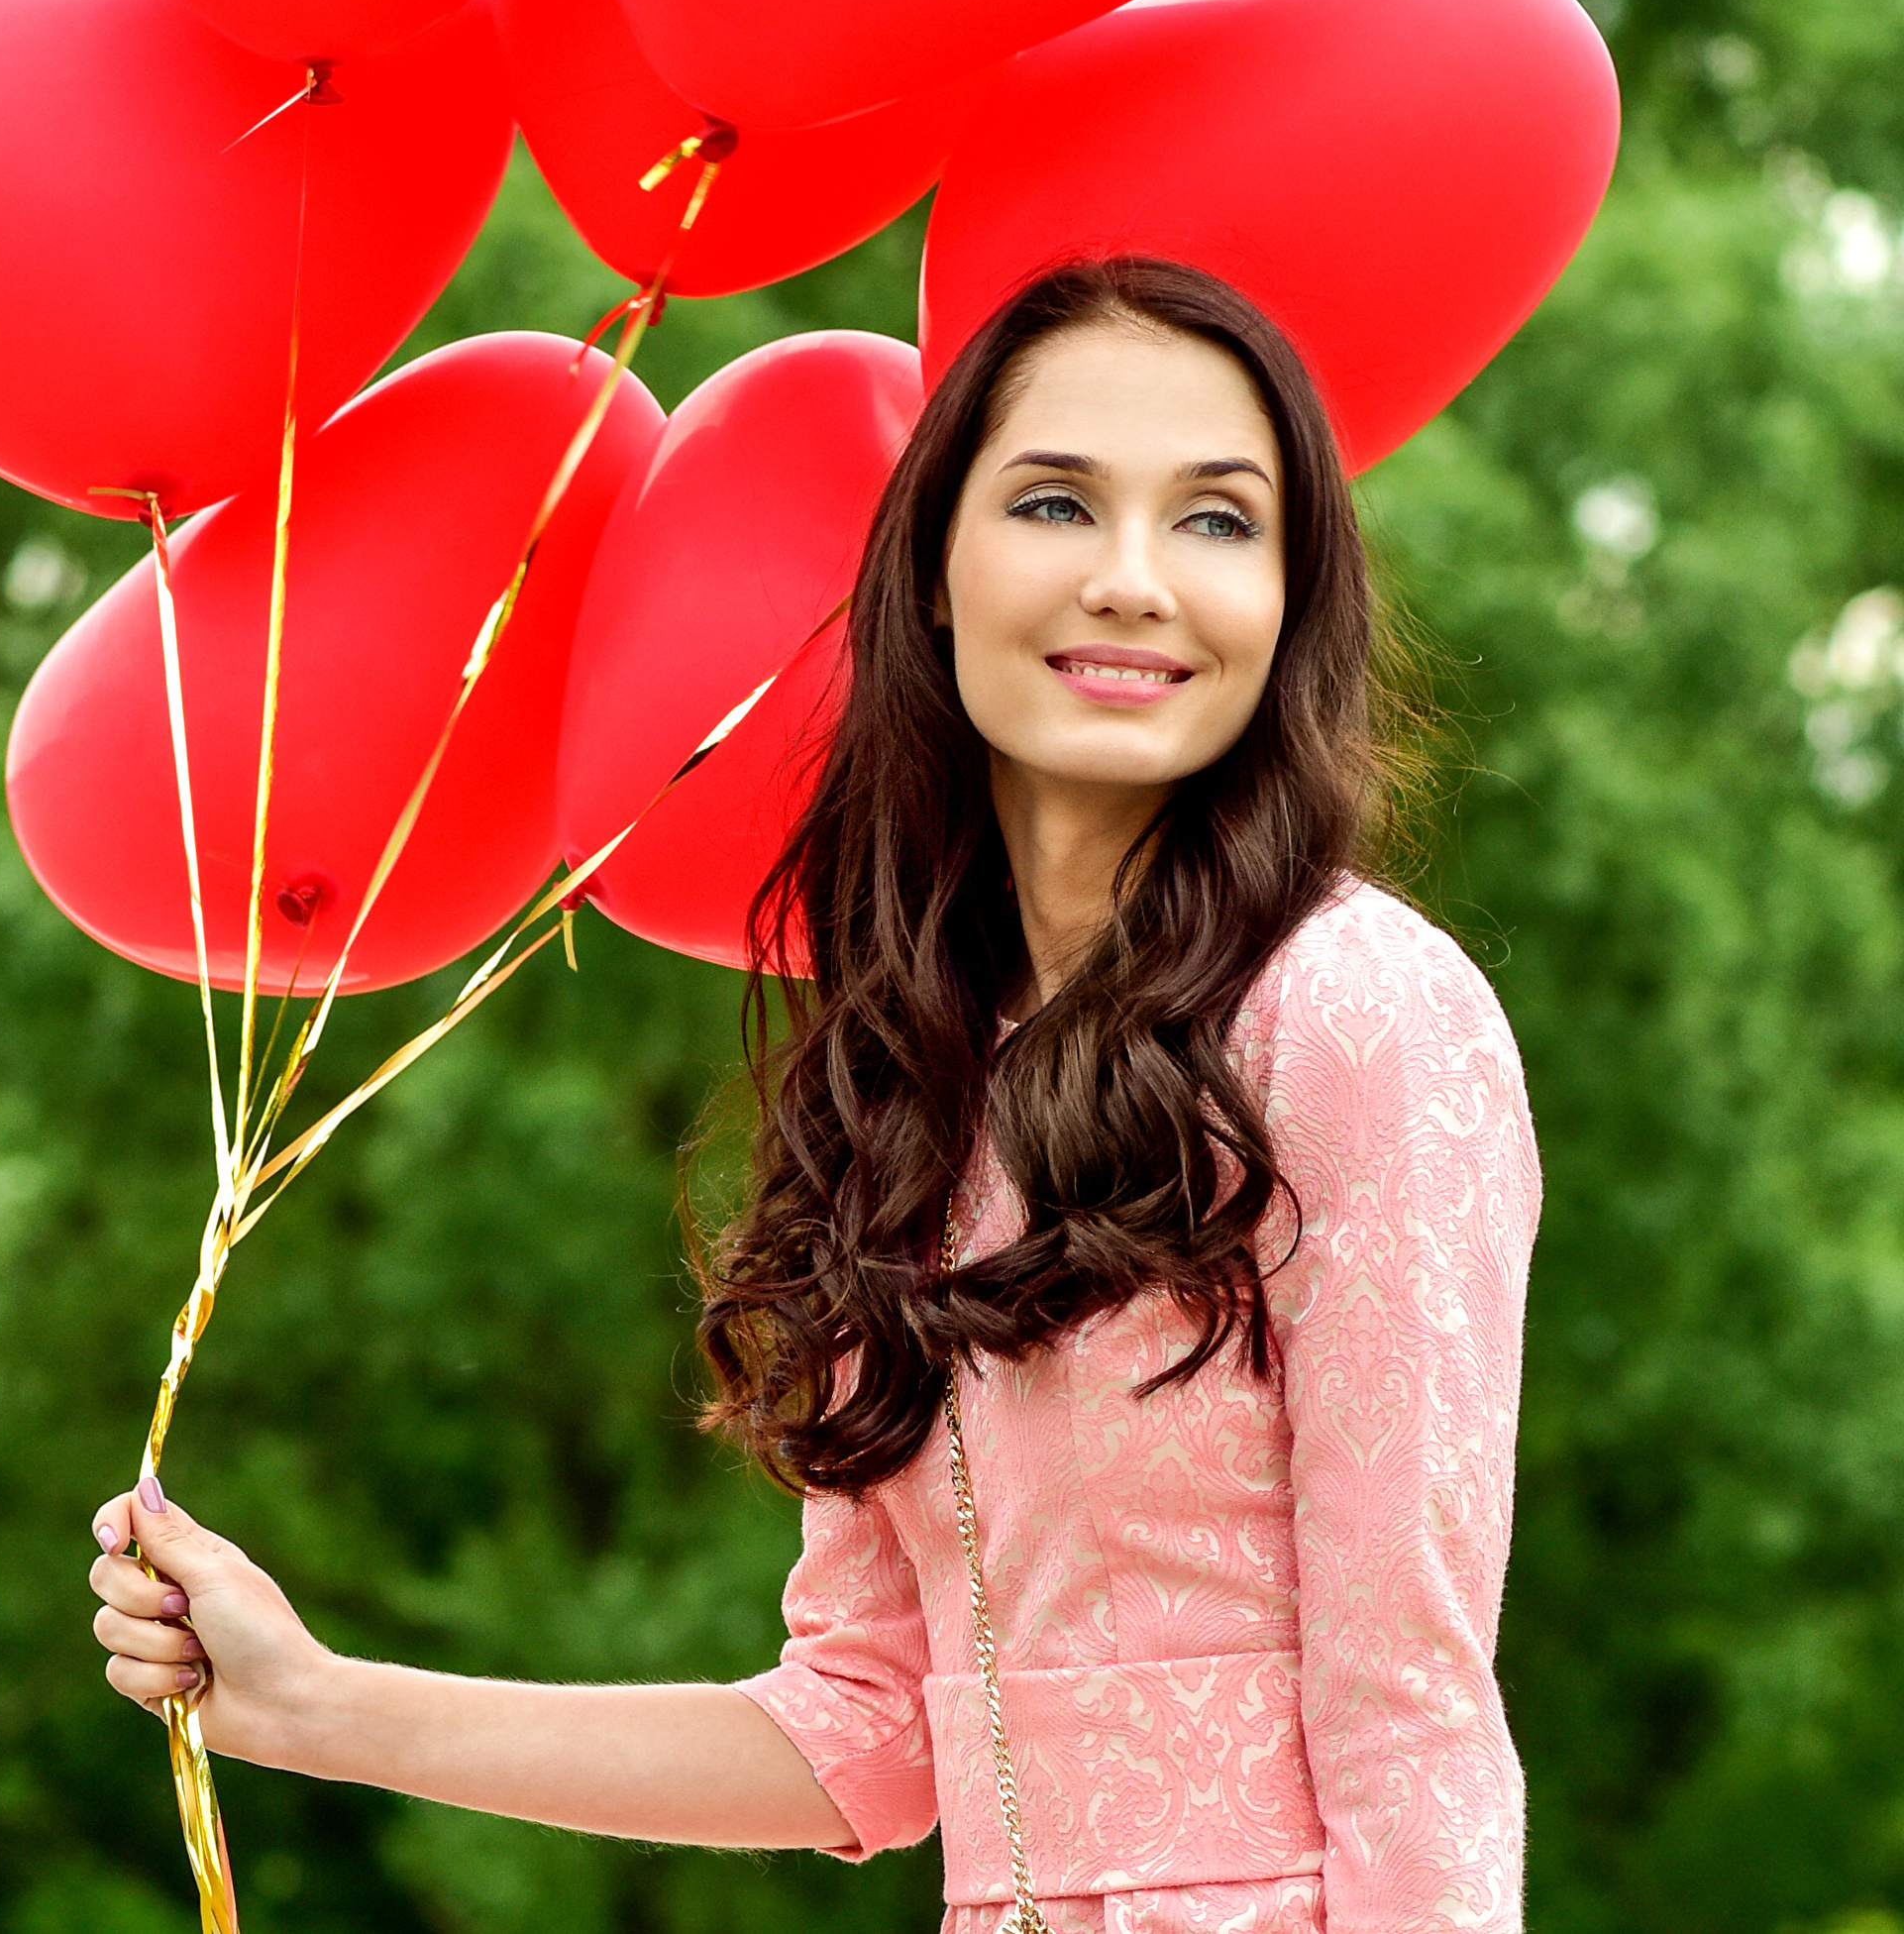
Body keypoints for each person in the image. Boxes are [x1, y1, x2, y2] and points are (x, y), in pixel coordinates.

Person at [89, 257, 1540, 1934]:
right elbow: (865, 1738)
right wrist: (315, 1707)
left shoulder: (1356, 1012)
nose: (1135, 581)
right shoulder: (908, 1070)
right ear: (930, 572)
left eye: (1219, 522)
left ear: (1293, 598)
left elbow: (1411, 1720)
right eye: (1057, 502)